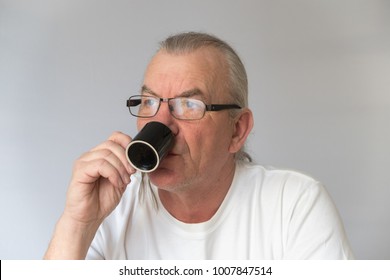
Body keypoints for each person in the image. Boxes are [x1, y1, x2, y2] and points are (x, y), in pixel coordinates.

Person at [44, 32, 354, 259]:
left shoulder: (294, 205)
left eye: (189, 105)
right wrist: (78, 223)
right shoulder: (112, 205)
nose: (161, 123)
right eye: (150, 101)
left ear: (237, 130)